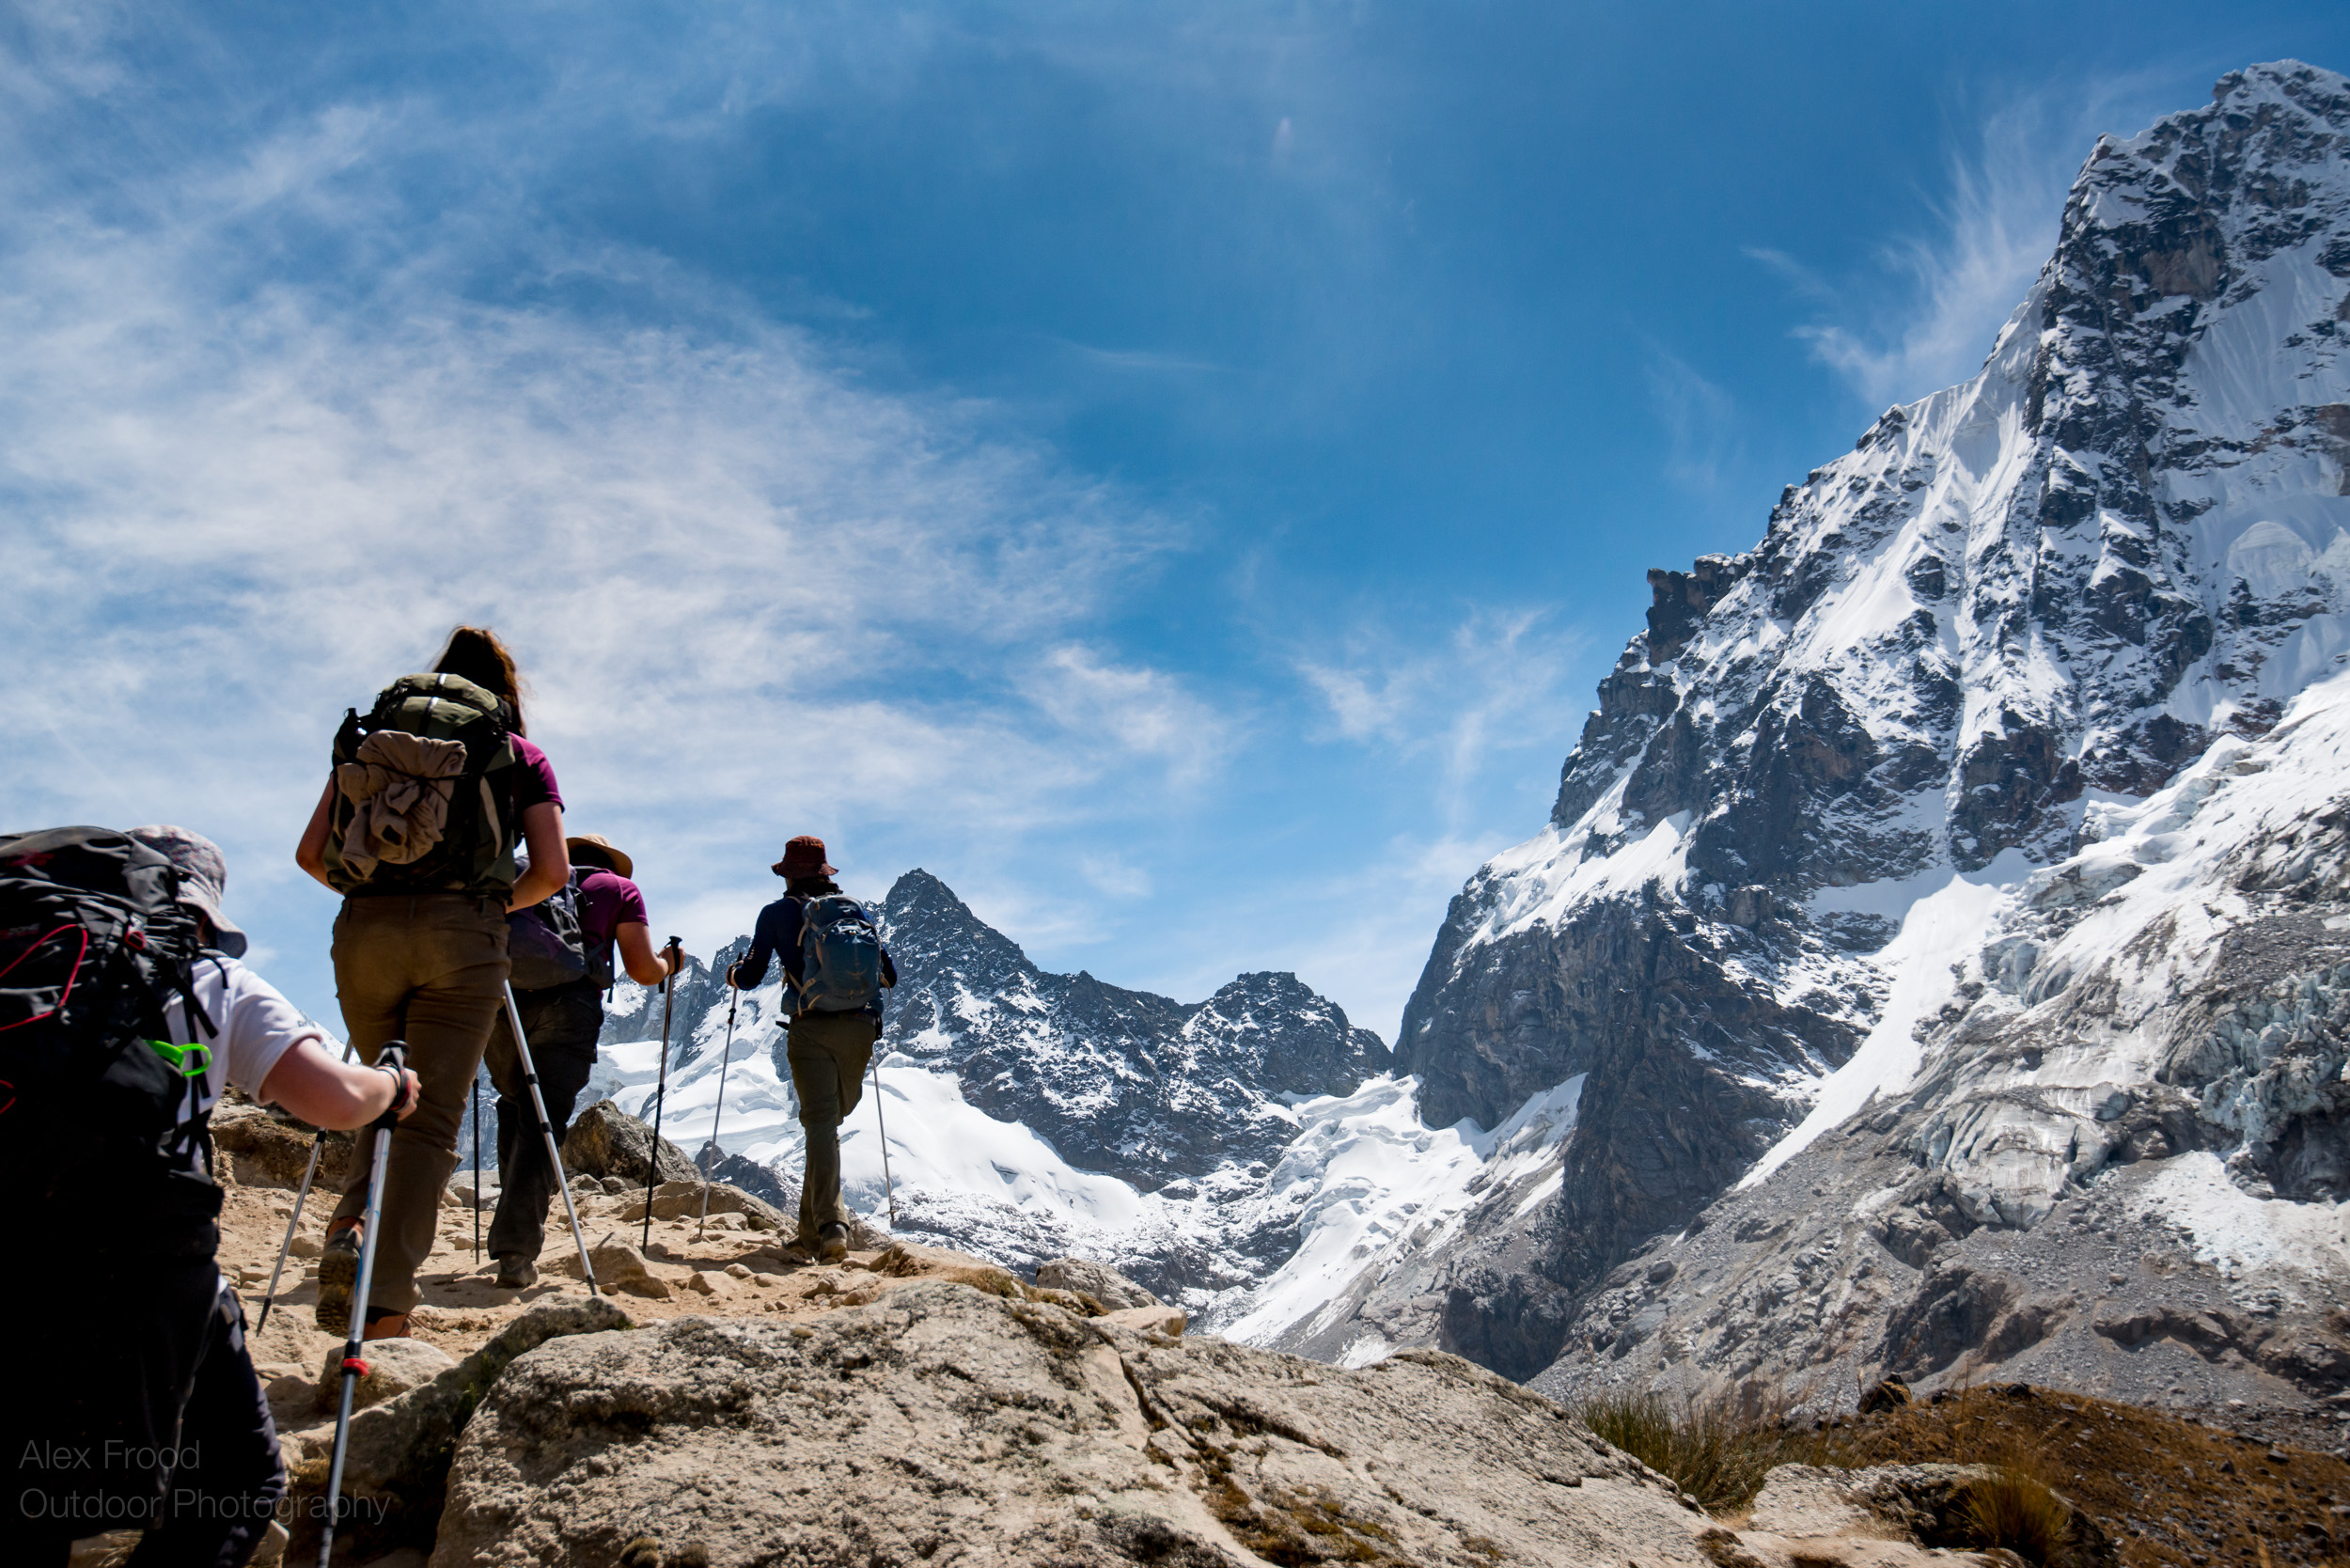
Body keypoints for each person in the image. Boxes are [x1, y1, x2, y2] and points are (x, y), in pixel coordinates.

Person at [4, 826, 422, 1567]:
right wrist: (390, 1085)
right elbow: (334, 1099)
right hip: (135, 1263)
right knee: (236, 1478)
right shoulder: (200, 975)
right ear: (192, 907)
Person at [294, 625, 568, 1341]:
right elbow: (551, 871)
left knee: (379, 1097)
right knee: (428, 1116)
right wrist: (478, 904)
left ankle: (350, 1226)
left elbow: (311, 853)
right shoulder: (518, 754)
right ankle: (383, 1307)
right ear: (504, 691)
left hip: (363, 933)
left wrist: (370, 894)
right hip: (462, 939)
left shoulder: (375, 741)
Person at [483, 833, 681, 1287]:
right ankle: (516, 1249)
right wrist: (670, 963)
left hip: (503, 1001)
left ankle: (508, 1231)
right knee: (544, 1119)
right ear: (610, 862)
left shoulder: (531, 878)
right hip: (569, 1008)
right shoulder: (617, 889)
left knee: (513, 1104)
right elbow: (642, 970)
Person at [728, 835, 896, 1262]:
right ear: (825, 873)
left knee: (820, 1125)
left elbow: (750, 977)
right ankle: (809, 1234)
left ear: (786, 874)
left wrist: (733, 974)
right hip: (860, 1029)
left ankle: (832, 1225)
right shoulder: (856, 911)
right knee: (825, 1125)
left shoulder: (777, 913)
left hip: (811, 1028)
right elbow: (889, 975)